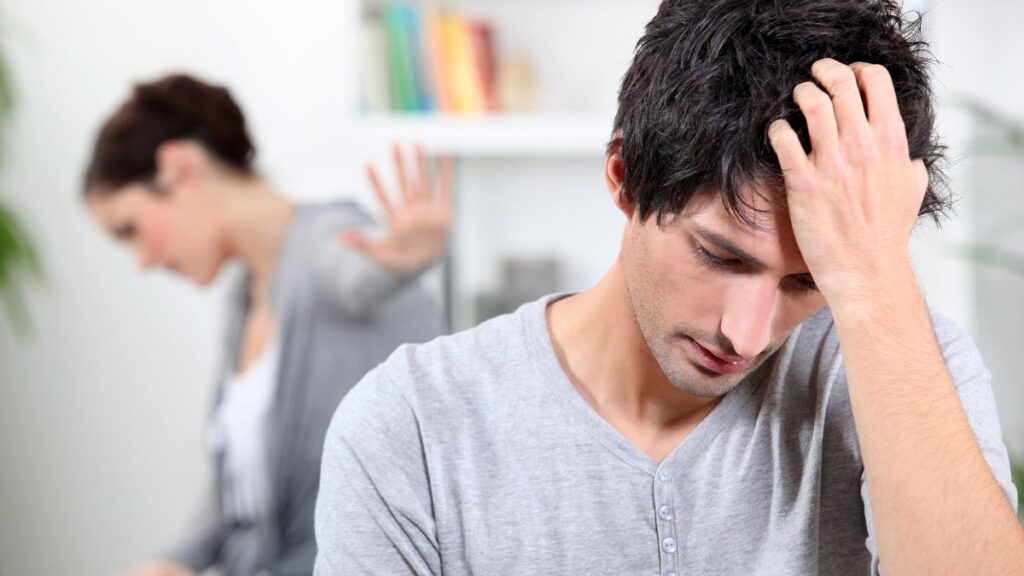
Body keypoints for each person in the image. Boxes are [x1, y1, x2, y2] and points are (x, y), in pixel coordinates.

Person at [313, 1, 1024, 574]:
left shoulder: (905, 367)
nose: (745, 335)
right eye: (721, 256)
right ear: (624, 178)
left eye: (809, 282)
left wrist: (870, 277)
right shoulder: (413, 428)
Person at [83, 74, 452, 576]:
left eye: (130, 229)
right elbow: (237, 493)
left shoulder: (326, 247)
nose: (141, 261)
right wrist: (172, 562)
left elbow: (356, 274)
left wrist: (401, 261)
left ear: (179, 168)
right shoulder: (244, 292)